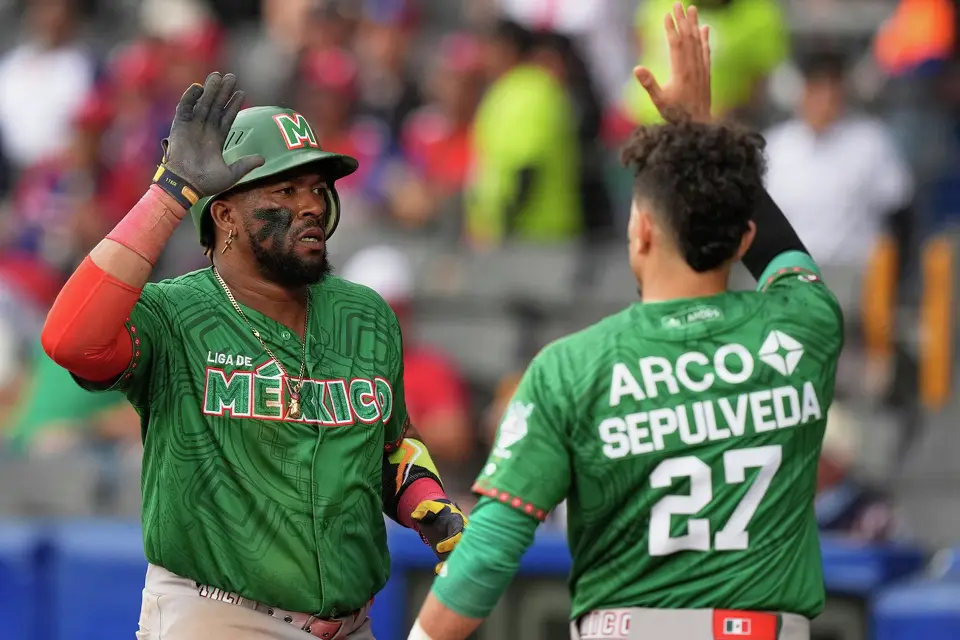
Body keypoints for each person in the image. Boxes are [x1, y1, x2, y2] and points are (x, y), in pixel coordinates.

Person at [409, 5, 843, 640]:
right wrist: (700, 131)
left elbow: (489, 552)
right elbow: (779, 249)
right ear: (741, 232)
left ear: (639, 230)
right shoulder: (804, 324)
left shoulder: (571, 366)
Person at [40, 73, 467, 640]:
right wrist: (170, 193)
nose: (312, 205)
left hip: (353, 622)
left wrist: (432, 507)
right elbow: (71, 339)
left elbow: (388, 447)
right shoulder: (175, 315)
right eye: (285, 191)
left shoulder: (366, 315)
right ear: (225, 215)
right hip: (220, 614)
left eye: (316, 188)